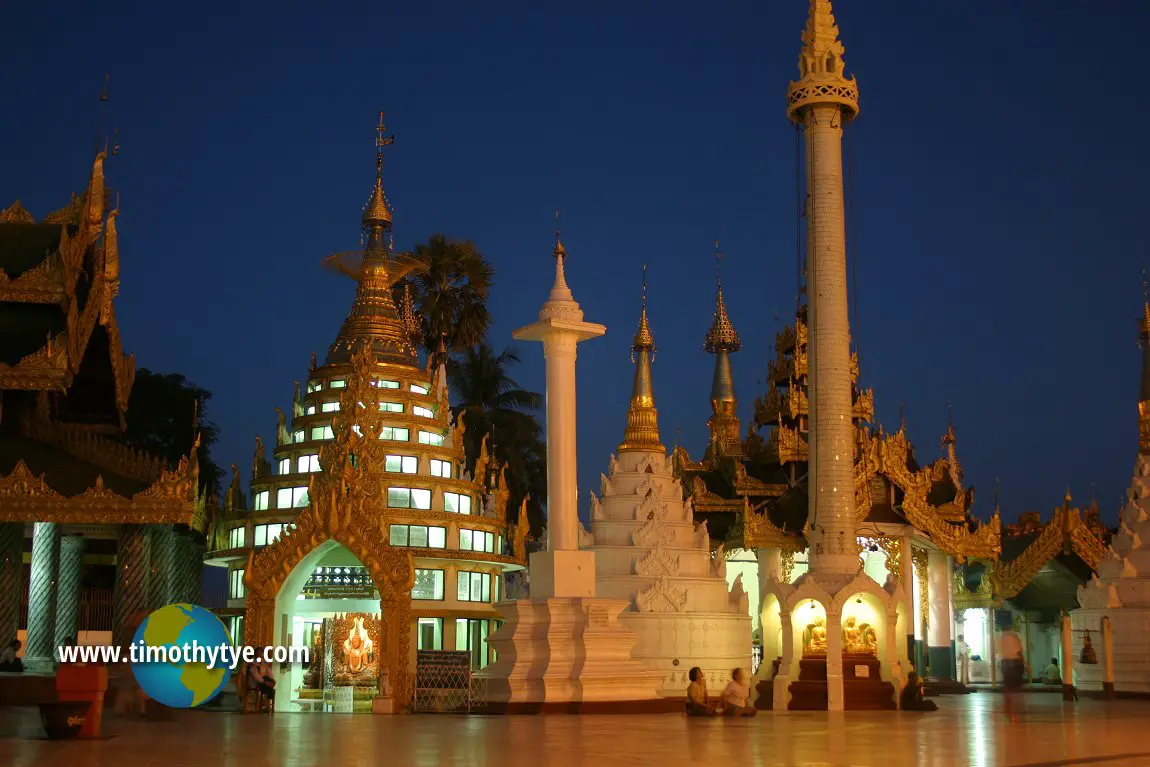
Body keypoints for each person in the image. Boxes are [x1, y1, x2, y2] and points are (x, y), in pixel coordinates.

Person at [998, 626, 1027, 721]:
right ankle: (1013, 711)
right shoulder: (1013, 637)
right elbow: (1019, 652)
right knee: (1015, 689)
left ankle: (1007, 709)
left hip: (1004, 662)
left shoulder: (1001, 638)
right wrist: (1025, 664)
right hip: (1014, 663)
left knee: (1007, 687)